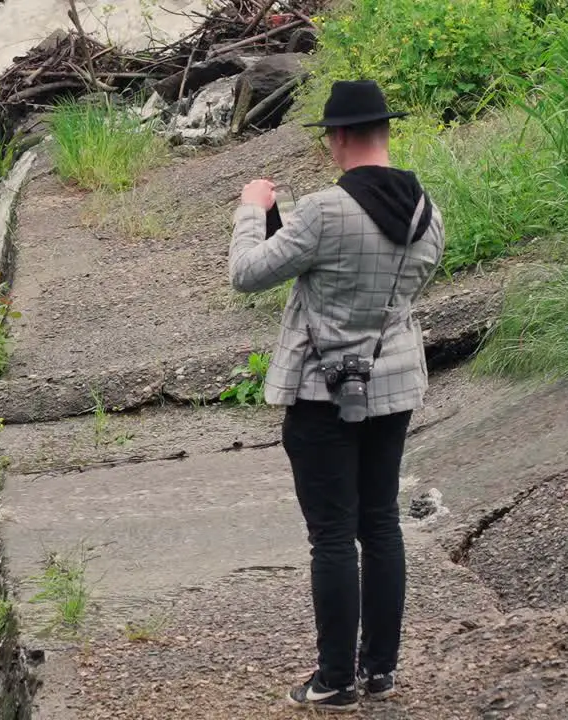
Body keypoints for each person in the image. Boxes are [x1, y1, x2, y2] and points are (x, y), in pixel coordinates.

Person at [228, 79, 446, 713]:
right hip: (394, 384)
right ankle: (379, 672)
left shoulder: (323, 211)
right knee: (380, 524)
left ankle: (333, 681)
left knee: (331, 536)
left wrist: (251, 208)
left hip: (323, 394)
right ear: (386, 132)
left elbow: (247, 273)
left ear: (340, 137)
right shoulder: (426, 209)